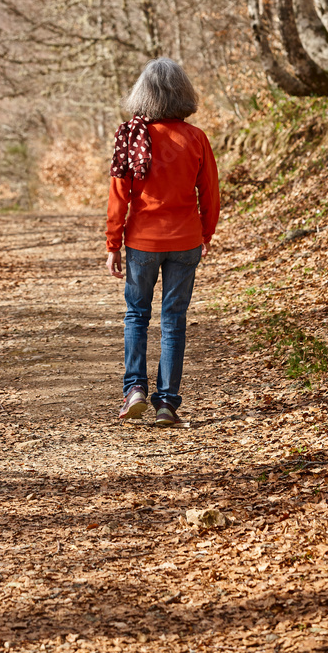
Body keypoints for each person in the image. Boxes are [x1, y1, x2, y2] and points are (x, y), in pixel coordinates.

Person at [106, 57, 220, 427]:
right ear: (182, 93)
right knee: (174, 320)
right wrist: (206, 234)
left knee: (137, 315)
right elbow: (211, 194)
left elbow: (118, 196)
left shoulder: (132, 135)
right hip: (185, 241)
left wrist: (112, 244)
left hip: (142, 242)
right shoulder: (196, 138)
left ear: (144, 93)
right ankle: (167, 404)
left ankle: (134, 389)